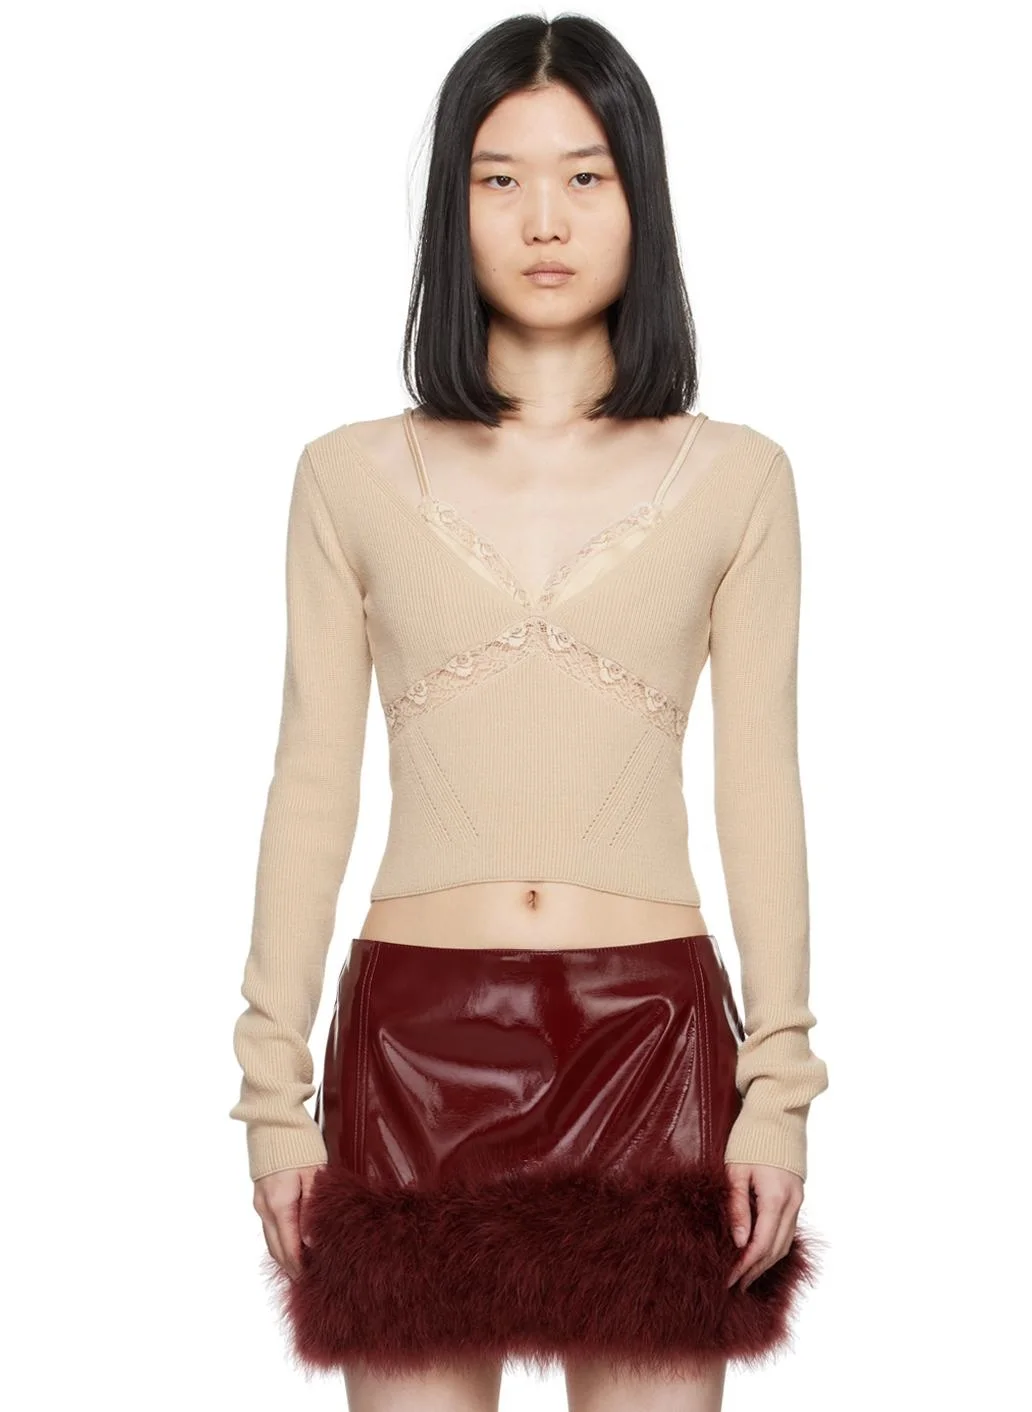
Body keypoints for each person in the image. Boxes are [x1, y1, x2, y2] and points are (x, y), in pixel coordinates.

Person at [230, 13, 829, 1412]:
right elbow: (310, 783)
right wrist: (271, 1100)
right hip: (413, 1047)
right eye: (498, 178)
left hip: (652, 1040)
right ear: (451, 206)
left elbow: (761, 785)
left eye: (585, 175)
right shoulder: (346, 477)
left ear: (640, 198)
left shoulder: (738, 478)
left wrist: (778, 1088)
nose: (543, 219)